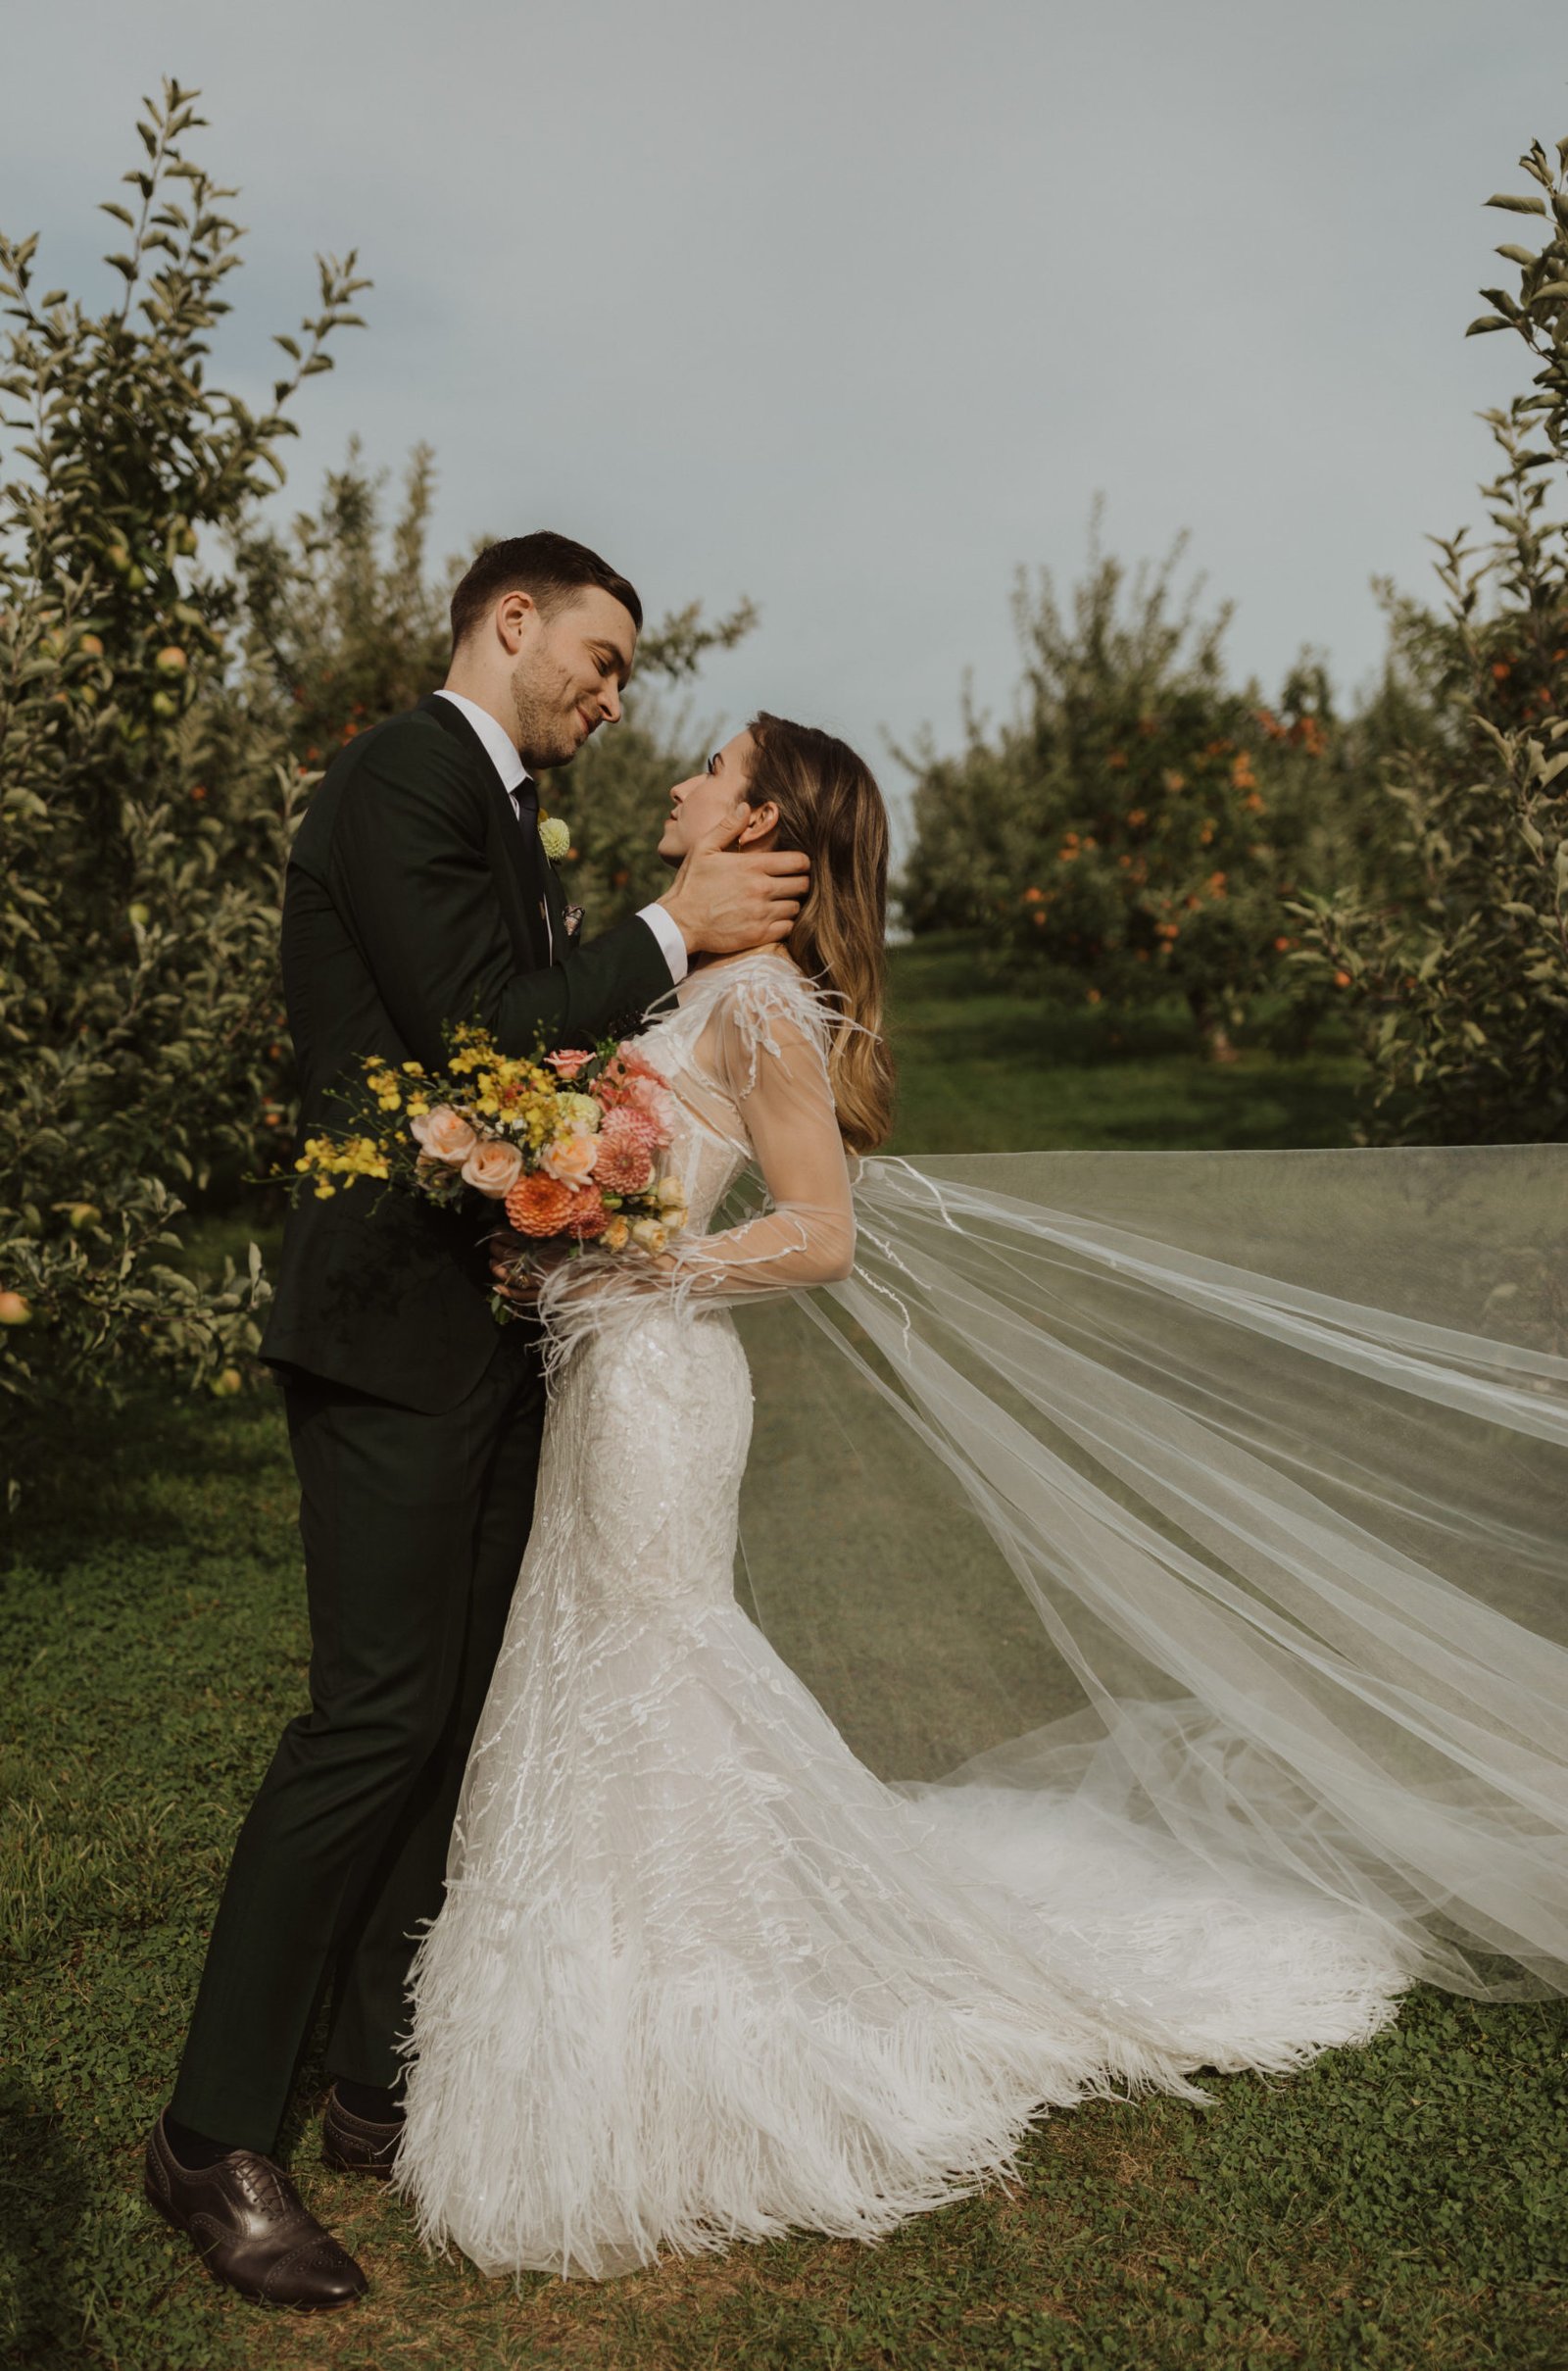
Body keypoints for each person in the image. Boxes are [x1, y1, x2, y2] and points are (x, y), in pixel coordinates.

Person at [393, 712, 1568, 2281]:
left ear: (757, 829)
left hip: (664, 1382)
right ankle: (617, 1950)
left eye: (710, 770)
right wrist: (528, 1191)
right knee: (595, 1654)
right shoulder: (681, 983)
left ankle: (710, 1971)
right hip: (609, 1370)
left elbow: (820, 1233)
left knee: (657, 1658)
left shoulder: (758, 1009)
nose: (676, 779)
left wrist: (642, 1253)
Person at [144, 534, 810, 2310]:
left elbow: (542, 1074)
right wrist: (678, 931)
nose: (610, 699)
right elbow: (477, 1034)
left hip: (494, 1326)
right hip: (381, 1329)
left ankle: (370, 2079)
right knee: (367, 1720)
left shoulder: (510, 809)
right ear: (508, 621)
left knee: (448, 1711)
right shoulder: (403, 773)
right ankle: (211, 2137)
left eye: (620, 679)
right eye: (595, 660)